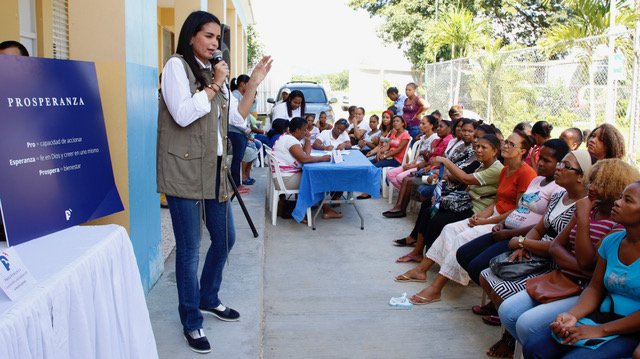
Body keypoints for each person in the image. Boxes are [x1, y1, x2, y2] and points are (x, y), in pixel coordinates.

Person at [156, 10, 272, 353]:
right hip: (186, 172)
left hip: (216, 172)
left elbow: (236, 118)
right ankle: (191, 321)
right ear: (191, 36)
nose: (214, 43)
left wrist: (251, 84)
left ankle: (208, 297)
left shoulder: (213, 74)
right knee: (190, 249)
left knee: (224, 240)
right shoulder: (176, 67)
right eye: (208, 36)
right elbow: (183, 113)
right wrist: (216, 83)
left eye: (217, 38)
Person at [499, 159, 639, 350]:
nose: (591, 187)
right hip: (564, 276)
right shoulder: (589, 209)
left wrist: (582, 220)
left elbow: (588, 262)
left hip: (584, 287)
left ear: (613, 185)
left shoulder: (616, 225)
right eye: (591, 181)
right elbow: (556, 247)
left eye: (599, 183)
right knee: (508, 311)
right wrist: (579, 264)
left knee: (526, 323)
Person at [395, 131, 537, 305]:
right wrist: (482, 215)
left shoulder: (526, 174)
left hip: (506, 222)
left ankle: (436, 287)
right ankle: (421, 269)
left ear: (523, 151)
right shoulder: (506, 170)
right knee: (449, 228)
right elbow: (498, 201)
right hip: (492, 215)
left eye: (511, 144)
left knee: (462, 237)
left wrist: (487, 221)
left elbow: (517, 210)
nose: (505, 146)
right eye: (506, 142)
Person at [479, 150, 593, 358]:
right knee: (486, 274)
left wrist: (523, 242)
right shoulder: (559, 195)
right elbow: (540, 228)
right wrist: (525, 245)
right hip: (537, 249)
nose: (558, 168)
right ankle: (510, 333)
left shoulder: (584, 206)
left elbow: (560, 248)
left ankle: (510, 338)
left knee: (505, 290)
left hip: (554, 262)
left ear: (581, 176)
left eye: (565, 166)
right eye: (560, 163)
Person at [456, 139, 570, 321]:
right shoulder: (537, 180)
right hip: (506, 229)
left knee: (477, 265)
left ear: (560, 164)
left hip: (520, 236)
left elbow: (545, 224)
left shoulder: (558, 189)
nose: (540, 163)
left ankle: (499, 304)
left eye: (547, 161)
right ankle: (496, 298)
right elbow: (520, 206)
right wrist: (502, 223)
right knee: (463, 253)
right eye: (540, 158)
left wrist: (511, 235)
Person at [395, 134, 504, 263]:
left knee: (437, 219)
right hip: (466, 202)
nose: (478, 149)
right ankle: (417, 251)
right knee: (429, 208)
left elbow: (465, 179)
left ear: (495, 151)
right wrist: (449, 199)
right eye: (478, 146)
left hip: (477, 208)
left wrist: (445, 161)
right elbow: (468, 187)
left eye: (483, 147)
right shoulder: (482, 164)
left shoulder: (497, 169)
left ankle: (425, 258)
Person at [271, 117, 344, 220]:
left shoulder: (287, 137)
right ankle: (322, 211)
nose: (306, 131)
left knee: (311, 177)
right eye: (304, 129)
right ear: (297, 130)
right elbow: (304, 159)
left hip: (283, 177)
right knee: (317, 179)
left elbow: (306, 154)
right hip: (286, 179)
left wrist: (308, 139)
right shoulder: (291, 141)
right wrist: (322, 158)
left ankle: (306, 207)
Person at [383, 115, 439, 215]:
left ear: (431, 125)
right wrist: (411, 163)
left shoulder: (434, 139)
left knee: (401, 177)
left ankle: (402, 202)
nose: (420, 126)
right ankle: (405, 195)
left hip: (423, 166)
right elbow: (419, 155)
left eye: (423, 124)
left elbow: (429, 160)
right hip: (416, 164)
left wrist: (414, 166)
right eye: (420, 123)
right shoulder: (423, 137)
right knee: (390, 173)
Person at [228, 74, 252, 193]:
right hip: (236, 131)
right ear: (242, 84)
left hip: (241, 132)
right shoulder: (235, 96)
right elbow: (235, 117)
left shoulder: (240, 96)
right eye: (249, 84)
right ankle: (235, 185)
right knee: (237, 160)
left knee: (238, 159)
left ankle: (237, 184)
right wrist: (245, 129)